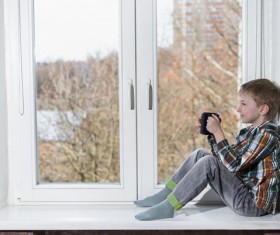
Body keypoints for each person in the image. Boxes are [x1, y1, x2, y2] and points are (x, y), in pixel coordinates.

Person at [134, 78, 280, 221]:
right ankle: (165, 194)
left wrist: (218, 132)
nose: (238, 109)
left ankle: (168, 206)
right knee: (199, 154)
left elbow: (233, 166)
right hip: (242, 194)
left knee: (208, 162)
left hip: (252, 205)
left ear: (263, 109)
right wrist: (213, 135)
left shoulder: (268, 135)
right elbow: (226, 161)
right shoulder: (249, 132)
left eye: (243, 104)